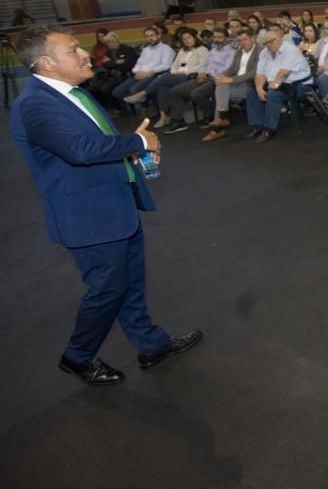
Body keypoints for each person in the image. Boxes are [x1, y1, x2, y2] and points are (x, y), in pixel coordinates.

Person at [9, 25, 201, 386]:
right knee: (108, 290)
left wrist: (141, 154)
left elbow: (104, 141)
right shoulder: (35, 104)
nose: (85, 55)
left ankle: (151, 345)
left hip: (114, 206)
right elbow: (81, 149)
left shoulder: (73, 93)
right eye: (73, 50)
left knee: (129, 284)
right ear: (47, 63)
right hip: (88, 217)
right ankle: (78, 356)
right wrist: (138, 143)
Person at [129, 28, 208, 129]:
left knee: (164, 77)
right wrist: (175, 71)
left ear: (194, 38)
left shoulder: (202, 49)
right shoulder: (182, 51)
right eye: (184, 39)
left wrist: (184, 71)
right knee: (163, 88)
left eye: (189, 37)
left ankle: (143, 93)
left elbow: (202, 66)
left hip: (191, 76)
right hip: (176, 75)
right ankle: (164, 117)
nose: (187, 40)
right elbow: (174, 65)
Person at [244, 29, 313, 144]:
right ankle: (259, 125)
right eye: (266, 43)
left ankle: (269, 129)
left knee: (273, 94)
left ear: (279, 39)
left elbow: (283, 73)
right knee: (251, 92)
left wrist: (273, 86)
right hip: (277, 82)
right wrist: (259, 88)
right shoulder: (264, 53)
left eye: (272, 41)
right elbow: (260, 74)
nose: (269, 45)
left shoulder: (290, 49)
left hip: (298, 84)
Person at [163, 27, 237, 133]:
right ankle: (178, 121)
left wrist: (208, 73)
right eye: (215, 37)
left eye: (220, 37)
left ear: (226, 38)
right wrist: (201, 72)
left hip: (218, 79)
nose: (217, 39)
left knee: (196, 93)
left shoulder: (231, 51)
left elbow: (227, 69)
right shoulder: (213, 49)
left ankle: (210, 116)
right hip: (204, 77)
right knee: (175, 91)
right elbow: (205, 64)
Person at [201, 28, 261, 143]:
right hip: (236, 84)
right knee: (220, 85)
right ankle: (221, 119)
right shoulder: (239, 51)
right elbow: (232, 69)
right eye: (240, 40)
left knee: (221, 87)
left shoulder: (260, 51)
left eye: (245, 39)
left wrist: (230, 80)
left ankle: (219, 124)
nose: (243, 42)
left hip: (251, 85)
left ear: (252, 38)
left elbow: (253, 74)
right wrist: (221, 76)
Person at [111, 27, 174, 108]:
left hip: (153, 75)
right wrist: (137, 72)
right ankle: (145, 100)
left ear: (158, 36)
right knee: (116, 92)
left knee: (133, 90)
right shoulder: (146, 49)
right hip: (140, 75)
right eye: (147, 36)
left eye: (152, 35)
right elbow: (139, 63)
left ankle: (146, 106)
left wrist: (149, 73)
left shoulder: (166, 49)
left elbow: (166, 65)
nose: (150, 38)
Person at [88, 32, 138, 109]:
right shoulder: (108, 51)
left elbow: (130, 63)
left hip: (126, 74)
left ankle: (122, 109)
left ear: (116, 40)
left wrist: (112, 62)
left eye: (109, 41)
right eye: (107, 42)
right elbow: (105, 64)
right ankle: (114, 108)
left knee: (107, 89)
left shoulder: (127, 49)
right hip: (113, 75)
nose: (108, 44)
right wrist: (117, 62)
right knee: (95, 88)